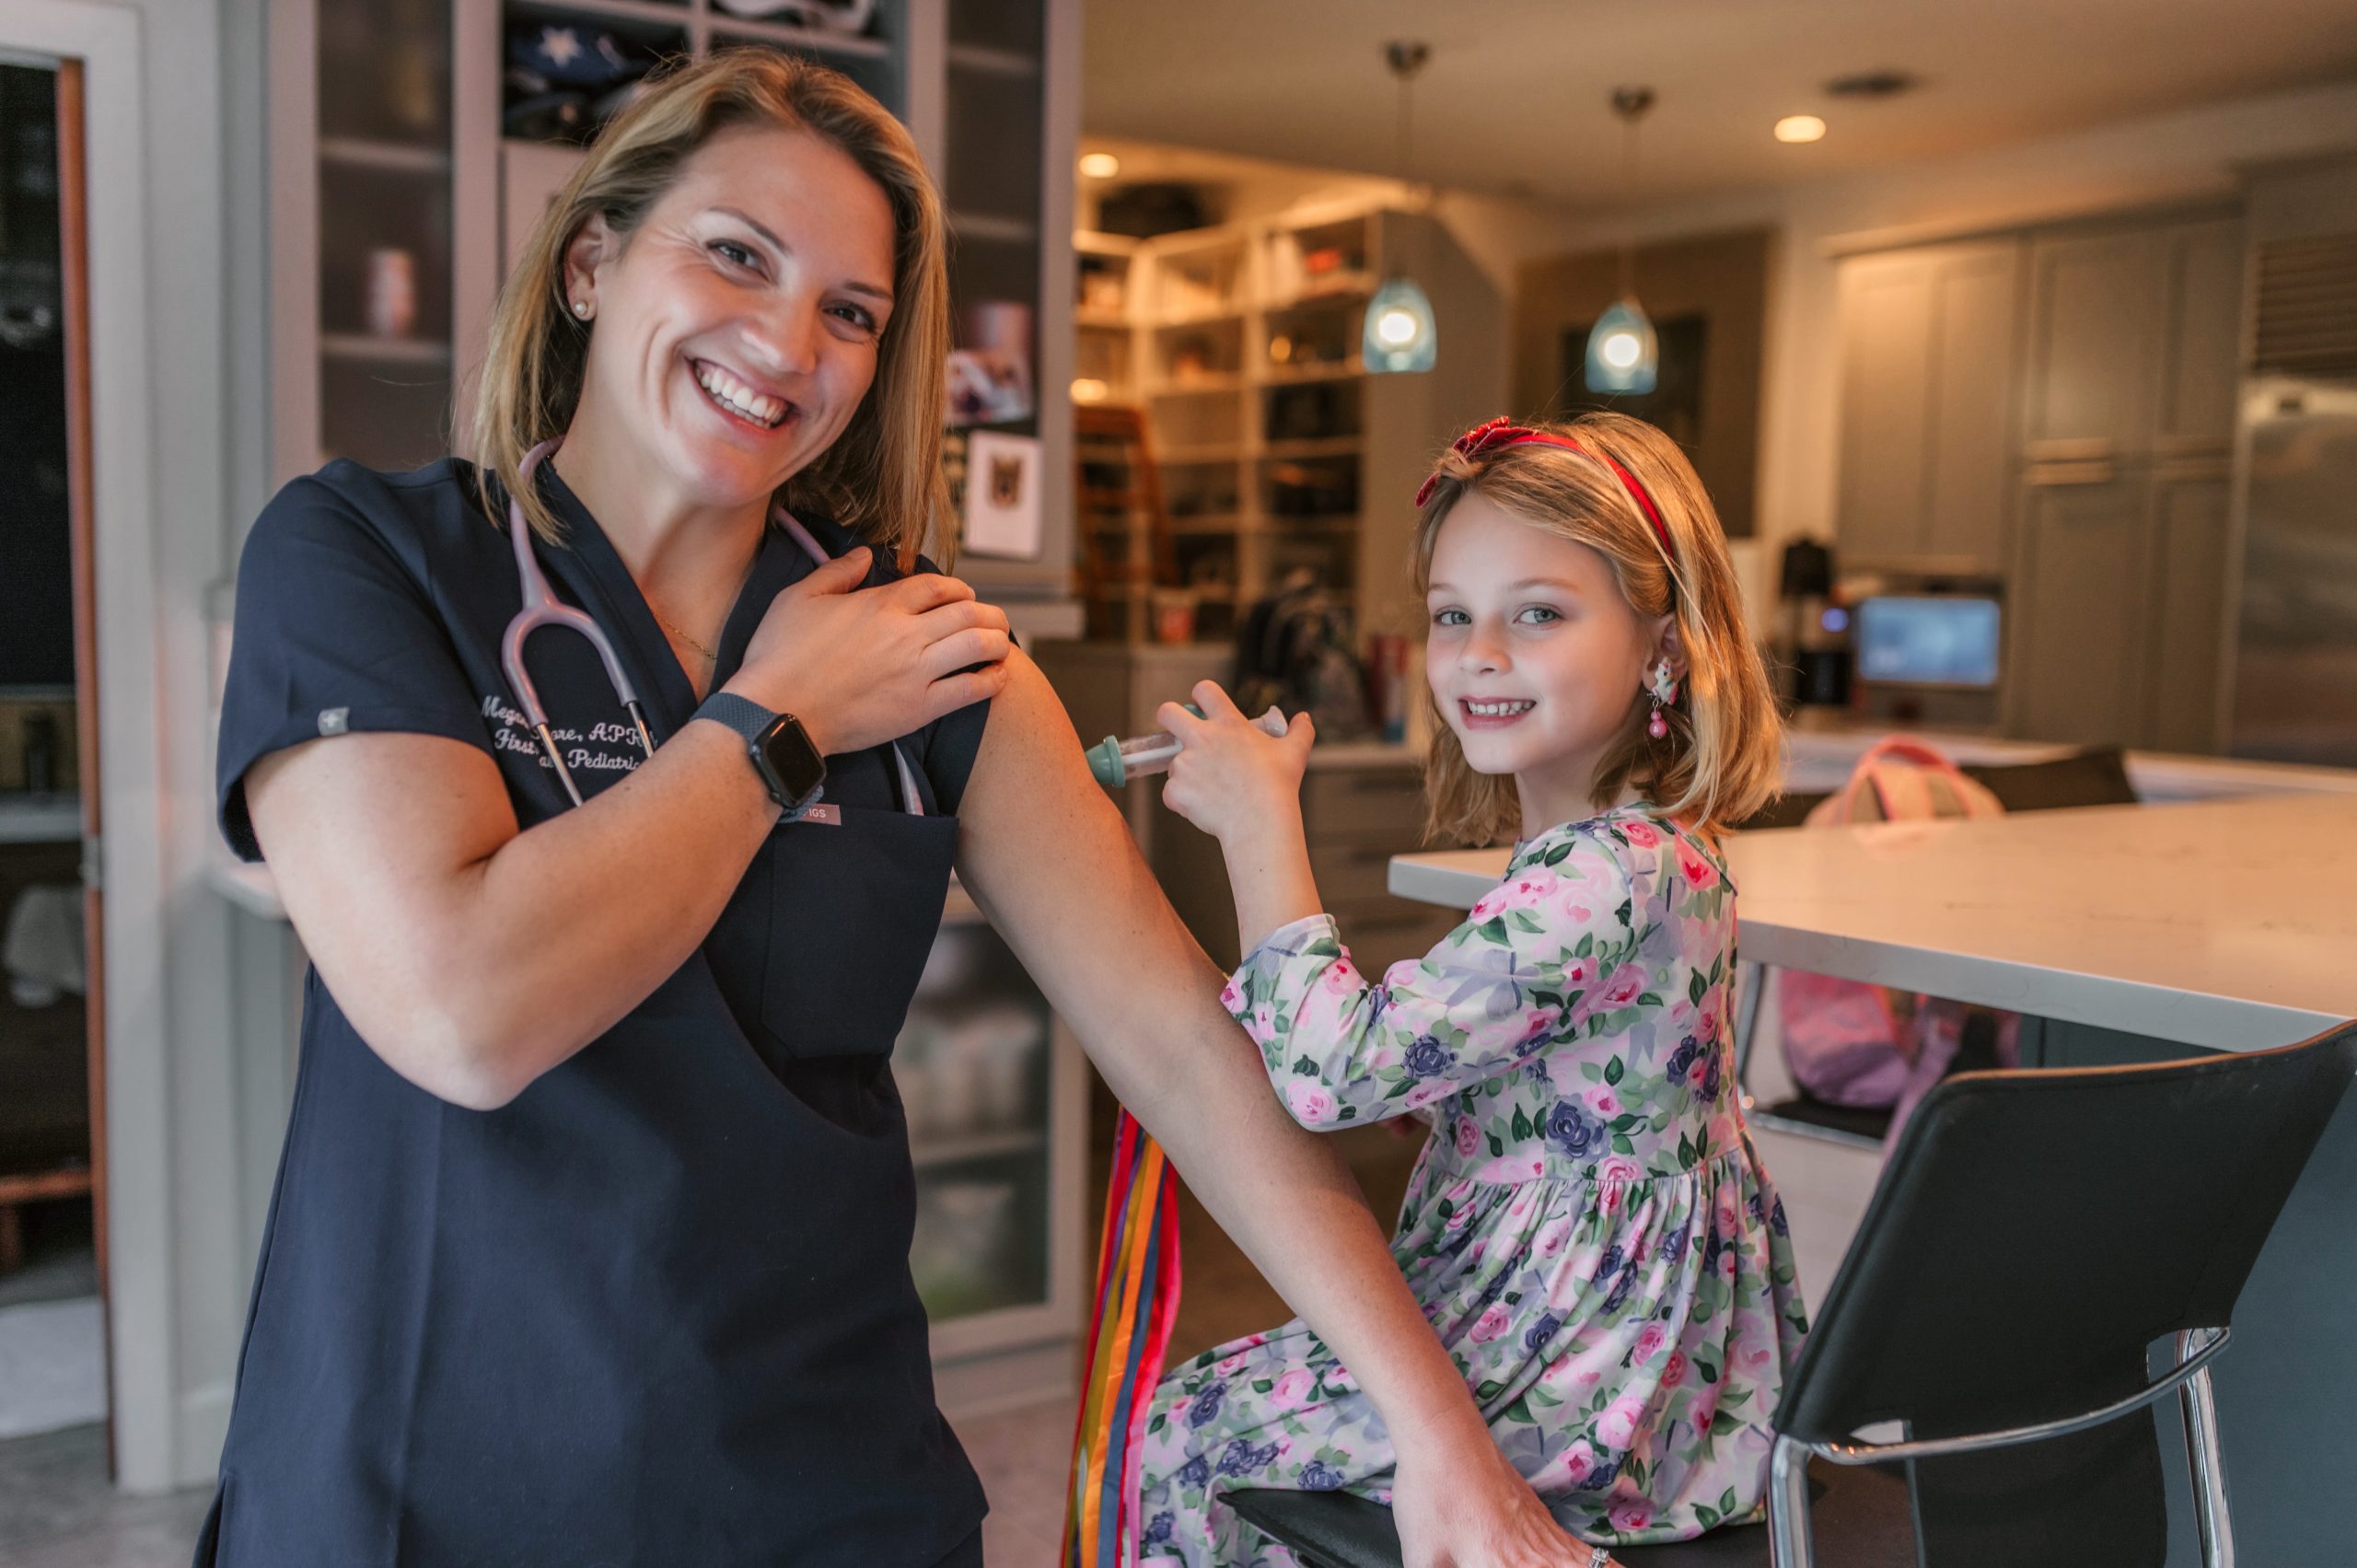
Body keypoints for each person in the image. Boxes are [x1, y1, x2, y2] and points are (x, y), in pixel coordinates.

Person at [195, 54, 1582, 1568]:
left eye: (850, 312)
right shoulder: (367, 556)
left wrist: (1442, 1439)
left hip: (815, 1480)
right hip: (429, 1477)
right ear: (591, 260)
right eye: (735, 253)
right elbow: (460, 1007)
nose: (787, 343)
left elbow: (1191, 1051)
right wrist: (777, 724)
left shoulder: (937, 659)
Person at [1138, 413, 1811, 1564]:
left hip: (1580, 1365)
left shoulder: (1597, 875)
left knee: (1189, 1428)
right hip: (1660, 1360)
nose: (1478, 651)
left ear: (1663, 645)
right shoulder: (1660, 849)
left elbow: (1331, 1077)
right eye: (1453, 614)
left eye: (1536, 612)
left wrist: (1259, 828)